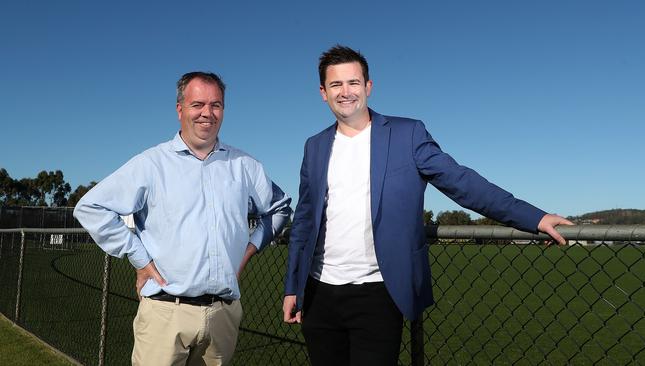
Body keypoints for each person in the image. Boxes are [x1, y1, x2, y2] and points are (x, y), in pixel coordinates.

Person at [282, 45, 572, 366]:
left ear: (368, 86)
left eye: (353, 82)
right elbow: (305, 221)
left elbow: (462, 182)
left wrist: (534, 217)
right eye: (336, 84)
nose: (345, 92)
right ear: (323, 92)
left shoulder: (407, 134)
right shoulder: (315, 146)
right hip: (319, 292)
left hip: (378, 292)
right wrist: (293, 287)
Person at [74, 71, 291, 366]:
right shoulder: (151, 164)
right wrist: (139, 256)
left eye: (216, 105)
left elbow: (279, 208)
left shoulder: (245, 166)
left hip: (223, 314)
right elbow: (90, 207)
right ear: (180, 110)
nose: (207, 113)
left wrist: (247, 252)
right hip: (166, 312)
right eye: (197, 104)